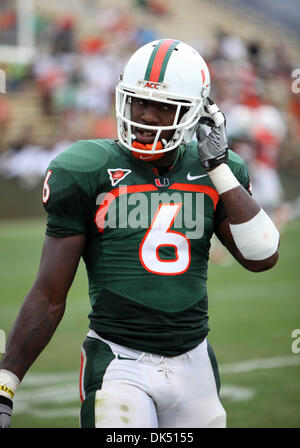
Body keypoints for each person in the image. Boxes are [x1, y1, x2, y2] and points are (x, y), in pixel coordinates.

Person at [0, 39, 280, 428]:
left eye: (163, 106)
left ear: (196, 111)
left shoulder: (218, 170)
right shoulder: (86, 168)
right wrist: (6, 382)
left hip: (195, 361)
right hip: (119, 363)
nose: (146, 116)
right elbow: (49, 295)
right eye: (139, 102)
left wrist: (218, 167)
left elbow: (261, 257)